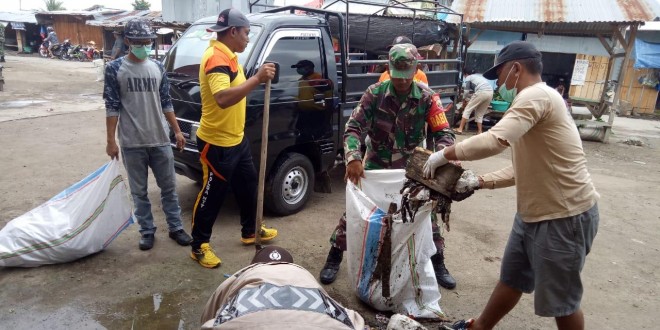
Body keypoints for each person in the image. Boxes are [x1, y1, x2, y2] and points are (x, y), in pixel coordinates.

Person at [424, 41, 599, 330]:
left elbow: (494, 141)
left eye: (500, 74)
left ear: (516, 68)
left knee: (562, 302)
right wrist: (479, 181)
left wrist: (445, 153)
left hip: (563, 215)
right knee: (512, 278)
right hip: (532, 213)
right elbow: (521, 170)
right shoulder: (533, 100)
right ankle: (479, 327)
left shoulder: (536, 96)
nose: (498, 84)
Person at [319, 43, 457, 290]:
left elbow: (444, 133)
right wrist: (353, 157)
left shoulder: (428, 98)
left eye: (407, 75)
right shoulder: (375, 93)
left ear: (416, 69)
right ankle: (334, 257)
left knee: (427, 216)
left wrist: (441, 158)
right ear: (388, 68)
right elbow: (353, 128)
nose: (401, 81)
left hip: (413, 168)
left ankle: (439, 262)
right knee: (357, 213)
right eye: (396, 75)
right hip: (376, 166)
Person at [190, 8, 278, 269]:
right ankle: (199, 246)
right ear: (233, 32)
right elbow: (223, 98)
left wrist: (256, 79)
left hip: (236, 140)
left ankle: (250, 230)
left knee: (248, 185)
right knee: (212, 195)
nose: (248, 39)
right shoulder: (216, 58)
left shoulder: (229, 56)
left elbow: (234, 90)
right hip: (216, 143)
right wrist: (257, 79)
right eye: (246, 33)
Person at [104, 18, 193, 251]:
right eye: (140, 42)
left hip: (161, 139)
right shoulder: (114, 69)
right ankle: (146, 231)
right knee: (139, 192)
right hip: (132, 143)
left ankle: (176, 228)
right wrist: (110, 141)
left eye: (148, 42)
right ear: (129, 42)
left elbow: (166, 102)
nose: (145, 46)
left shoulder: (158, 67)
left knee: (169, 189)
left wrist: (176, 131)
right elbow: (112, 106)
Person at [200, 246, 366, 329]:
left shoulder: (243, 276)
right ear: (291, 266)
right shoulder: (305, 278)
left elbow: (208, 315)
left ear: (253, 266)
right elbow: (353, 321)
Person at [456, 68, 494, 135]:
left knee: (468, 109)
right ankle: (479, 131)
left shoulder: (468, 77)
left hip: (481, 92)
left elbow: (466, 91)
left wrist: (464, 99)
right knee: (480, 113)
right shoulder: (478, 77)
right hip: (490, 93)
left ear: (465, 74)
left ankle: (460, 129)